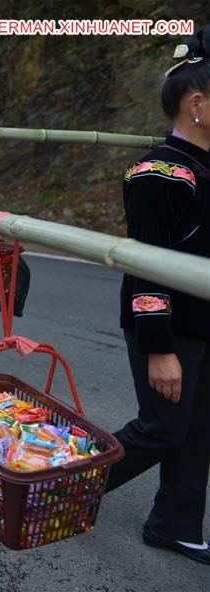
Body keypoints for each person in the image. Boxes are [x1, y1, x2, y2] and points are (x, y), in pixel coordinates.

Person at [104, 25, 210, 565]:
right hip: (169, 329)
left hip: (204, 325)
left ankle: (175, 525)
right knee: (162, 429)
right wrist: (159, 348)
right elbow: (146, 270)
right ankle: (64, 482)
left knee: (197, 431)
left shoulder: (205, 167)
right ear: (197, 104)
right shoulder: (159, 173)